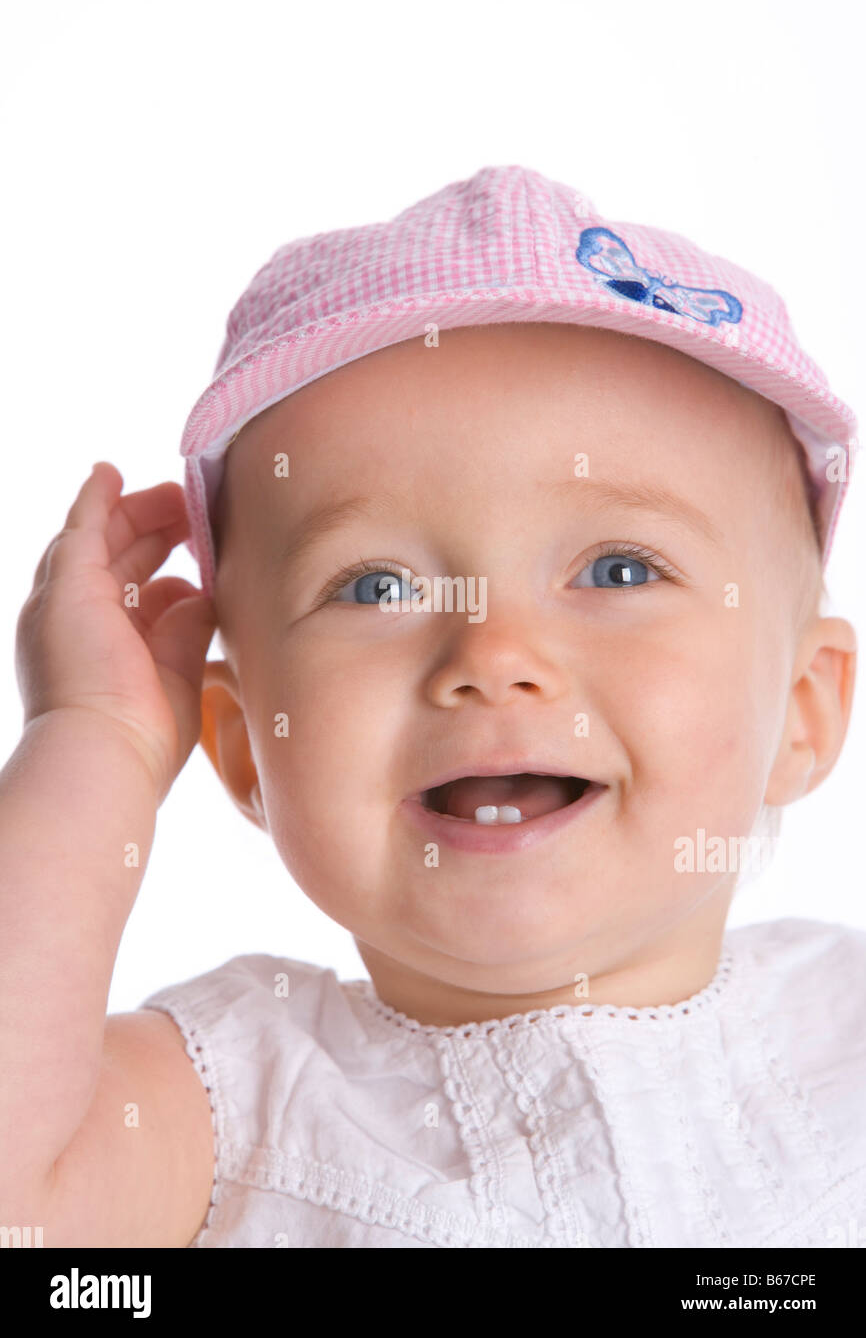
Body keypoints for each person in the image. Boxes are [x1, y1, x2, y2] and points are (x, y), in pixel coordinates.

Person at [1, 166, 861, 1248]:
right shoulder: (227, 1109)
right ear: (242, 750)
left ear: (801, 708)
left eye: (618, 570)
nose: (491, 654)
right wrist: (96, 745)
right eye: (373, 586)